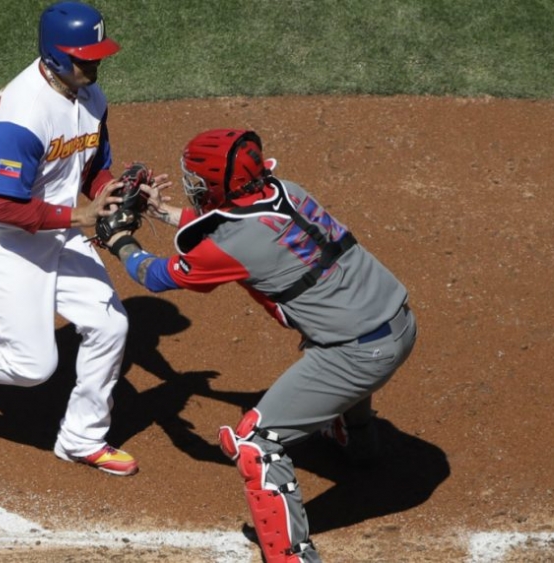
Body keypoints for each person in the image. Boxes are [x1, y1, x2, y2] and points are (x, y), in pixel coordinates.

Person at [99, 129, 418, 562]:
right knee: (328, 342)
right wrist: (164, 210)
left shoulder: (232, 247)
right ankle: (357, 441)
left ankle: (290, 556)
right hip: (397, 322)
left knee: (255, 441)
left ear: (215, 183)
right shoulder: (287, 192)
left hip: (358, 355)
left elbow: (156, 275)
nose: (191, 183)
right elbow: (236, 226)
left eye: (196, 178)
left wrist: (120, 240)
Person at [0, 1, 160, 477]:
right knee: (32, 366)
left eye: (99, 54)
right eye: (87, 56)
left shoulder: (90, 95)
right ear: (56, 57)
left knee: (111, 326)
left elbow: (93, 162)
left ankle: (82, 438)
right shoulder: (22, 116)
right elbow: (5, 207)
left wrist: (116, 191)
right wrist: (81, 215)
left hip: (57, 224)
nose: (97, 63)